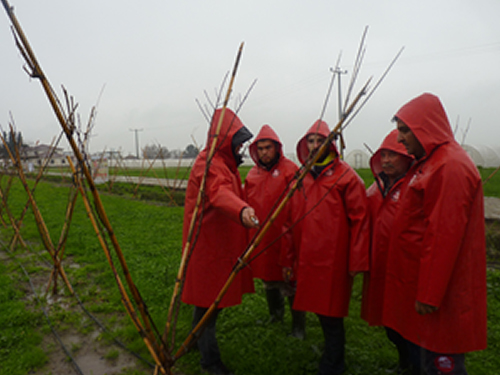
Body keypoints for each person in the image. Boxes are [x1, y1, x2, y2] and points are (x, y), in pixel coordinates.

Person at [382, 93, 487, 375]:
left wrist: (429, 293)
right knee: (429, 354)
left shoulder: (449, 167)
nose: (399, 138)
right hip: (427, 283)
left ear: (424, 127)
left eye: (404, 130)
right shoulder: (431, 163)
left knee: (443, 362)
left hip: (443, 291)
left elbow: (443, 236)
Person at [284, 119, 370, 375]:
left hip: (334, 259)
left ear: (330, 143)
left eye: (320, 140)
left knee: (332, 314)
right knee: (319, 310)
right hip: (307, 256)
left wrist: (357, 261)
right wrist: (289, 258)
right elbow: (288, 221)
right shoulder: (300, 176)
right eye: (310, 141)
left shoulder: (347, 177)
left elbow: (360, 221)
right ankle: (330, 357)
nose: (314, 145)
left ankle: (333, 365)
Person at [181, 107, 259, 375]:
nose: (241, 149)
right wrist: (242, 210)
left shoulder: (221, 162)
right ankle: (210, 362)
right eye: (237, 143)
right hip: (207, 247)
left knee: (206, 301)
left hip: (213, 244)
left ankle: (193, 341)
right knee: (208, 306)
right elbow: (219, 193)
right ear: (226, 141)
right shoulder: (210, 164)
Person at [244, 124, 306, 339]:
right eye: (260, 148)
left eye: (268, 147)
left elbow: (300, 204)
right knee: (268, 277)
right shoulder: (252, 174)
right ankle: (275, 314)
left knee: (289, 278)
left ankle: (298, 326)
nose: (264, 152)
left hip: (285, 234)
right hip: (261, 236)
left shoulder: (290, 170)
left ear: (277, 148)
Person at [360, 129, 413, 373]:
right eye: (383, 155)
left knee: (408, 323)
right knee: (389, 323)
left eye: (393, 155)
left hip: (406, 270)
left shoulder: (415, 189)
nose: (387, 161)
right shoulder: (374, 190)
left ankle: (414, 366)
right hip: (380, 265)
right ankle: (404, 362)